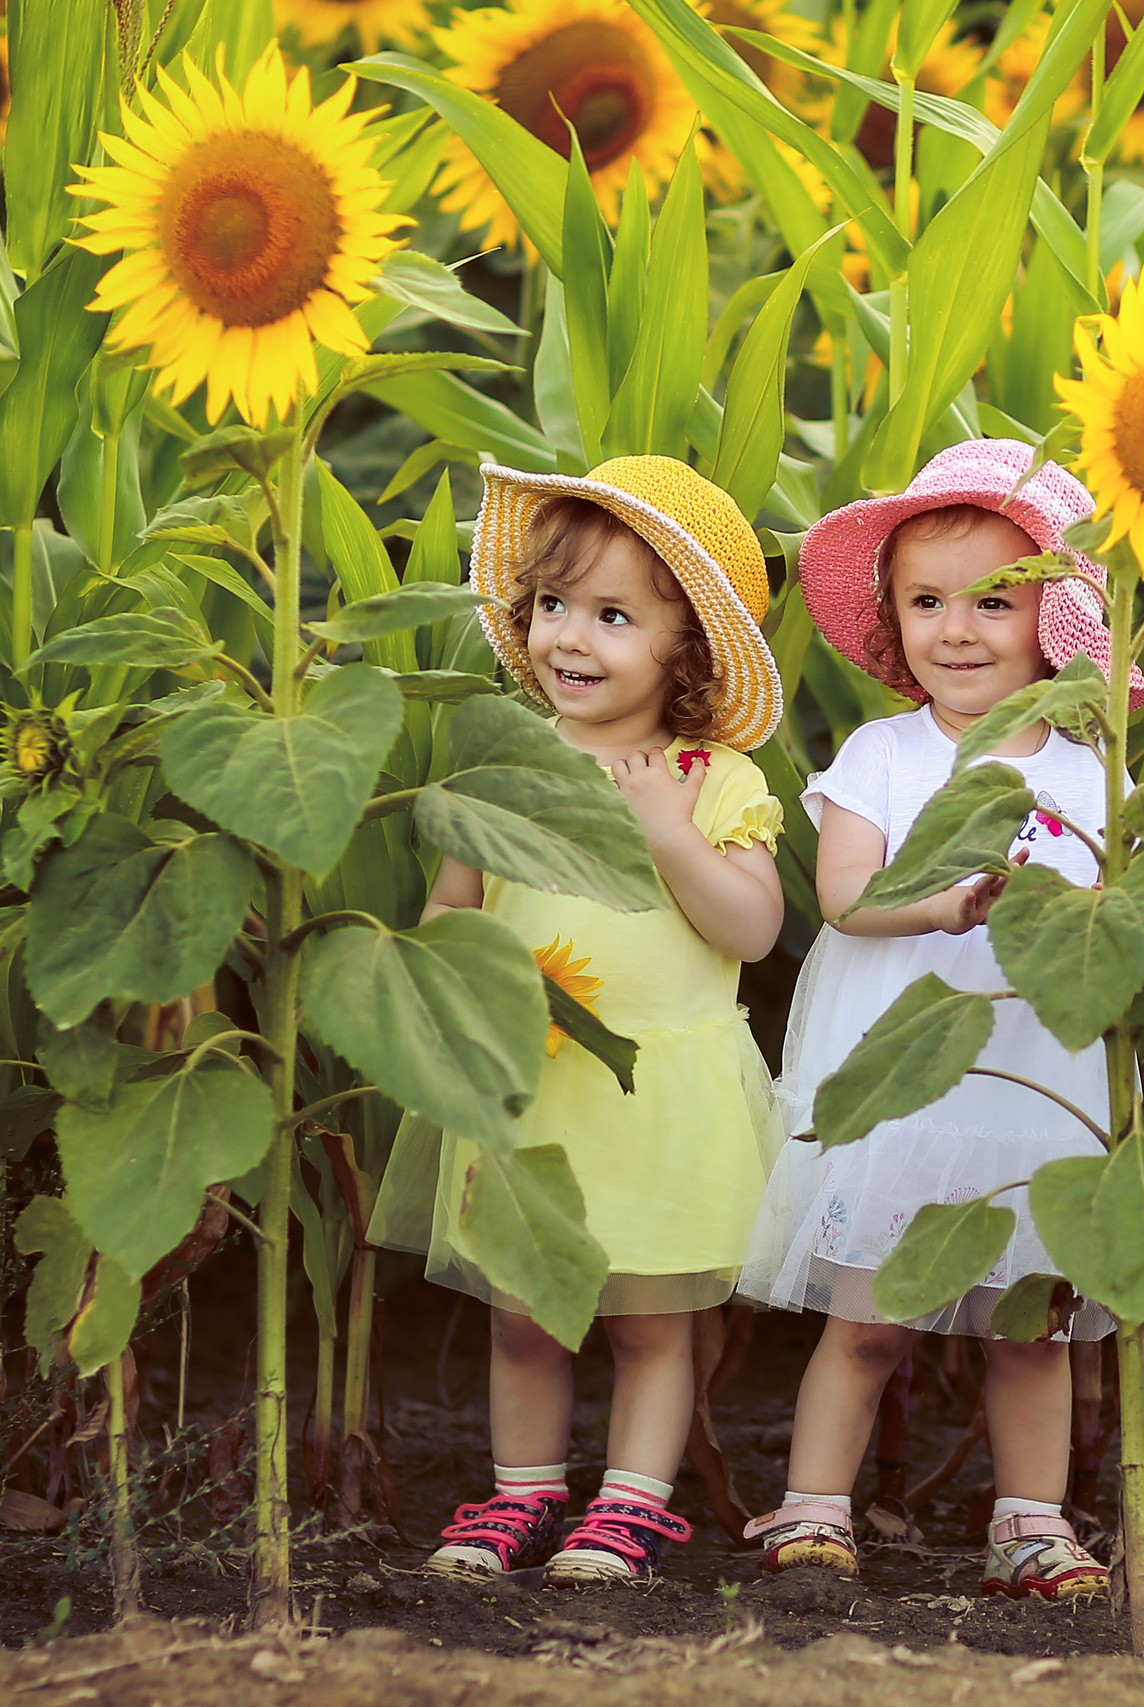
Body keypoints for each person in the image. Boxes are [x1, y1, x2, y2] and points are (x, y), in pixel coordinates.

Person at [736, 439, 1144, 1601]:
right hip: (905, 1086)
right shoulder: (884, 753)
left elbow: (1119, 912)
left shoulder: (1091, 771)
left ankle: (1030, 1523)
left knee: (1033, 1329)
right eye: (926, 602)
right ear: (894, 619)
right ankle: (814, 1509)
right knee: (869, 1323)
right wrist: (955, 901)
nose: (956, 630)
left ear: (1054, 619)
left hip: (1036, 1090)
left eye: (991, 602)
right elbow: (844, 899)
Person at [372, 456, 788, 1587]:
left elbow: (751, 929)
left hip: (659, 1094)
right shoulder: (506, 763)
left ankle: (633, 1504)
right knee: (525, 1309)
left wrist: (670, 828)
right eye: (554, 605)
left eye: (613, 616)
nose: (571, 637)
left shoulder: (712, 777)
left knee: (652, 1323)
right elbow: (453, 904)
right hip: (528, 1083)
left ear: (684, 651)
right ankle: (520, 1494)